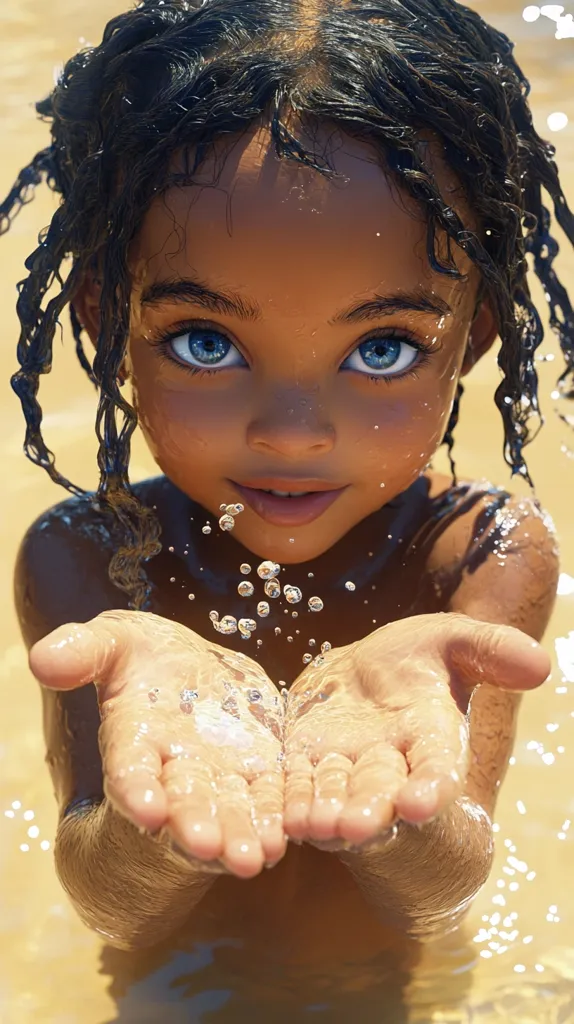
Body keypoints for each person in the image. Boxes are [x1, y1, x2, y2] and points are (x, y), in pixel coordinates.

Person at [2, 0, 573, 956]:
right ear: (108, 324)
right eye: (206, 341)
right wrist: (156, 839)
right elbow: (114, 907)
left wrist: (409, 820)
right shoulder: (89, 559)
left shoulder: (482, 554)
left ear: (469, 343)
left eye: (384, 348)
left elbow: (440, 896)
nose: (294, 435)